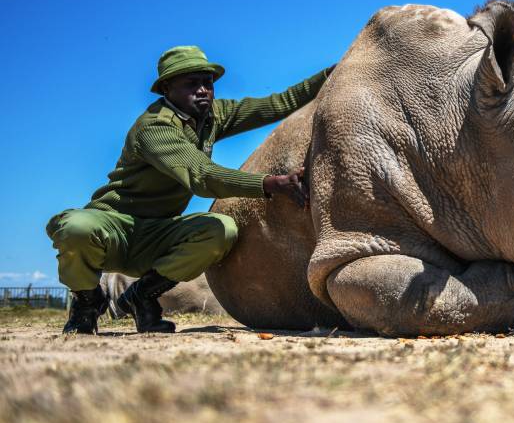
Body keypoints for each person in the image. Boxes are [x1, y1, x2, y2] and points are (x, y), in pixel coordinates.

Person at [46, 45, 332, 335]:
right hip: (115, 227)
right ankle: (87, 302)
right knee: (76, 228)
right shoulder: (154, 128)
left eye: (207, 83)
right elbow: (202, 176)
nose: (203, 91)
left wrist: (332, 73)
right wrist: (269, 183)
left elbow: (278, 104)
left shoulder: (212, 117)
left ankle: (142, 296)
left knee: (220, 230)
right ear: (167, 89)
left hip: (158, 233)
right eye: (191, 84)